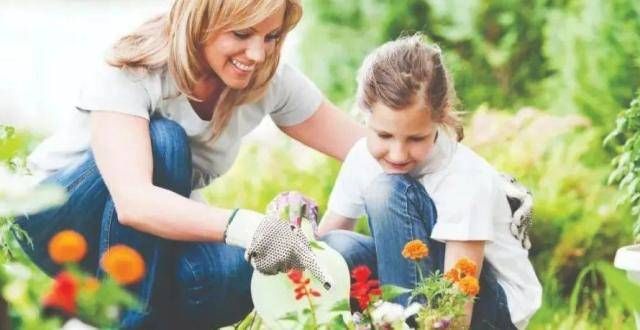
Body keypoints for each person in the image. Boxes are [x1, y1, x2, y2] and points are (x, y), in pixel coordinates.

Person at [13, 0, 364, 329]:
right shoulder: (135, 67)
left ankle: (116, 318)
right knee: (165, 141)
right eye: (241, 33)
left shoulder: (269, 79)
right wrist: (252, 228)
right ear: (202, 20)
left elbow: (366, 150)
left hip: (147, 247)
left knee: (237, 274)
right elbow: (134, 202)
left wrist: (338, 219)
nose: (258, 54)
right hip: (56, 223)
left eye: (271, 36)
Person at [318, 34, 542, 329]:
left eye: (416, 138)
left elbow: (459, 308)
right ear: (364, 116)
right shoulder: (363, 157)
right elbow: (319, 248)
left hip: (487, 308)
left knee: (388, 191)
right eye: (384, 135)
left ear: (440, 119)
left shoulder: (466, 180)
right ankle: (394, 320)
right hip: (424, 290)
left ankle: (404, 323)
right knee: (334, 248)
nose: (397, 154)